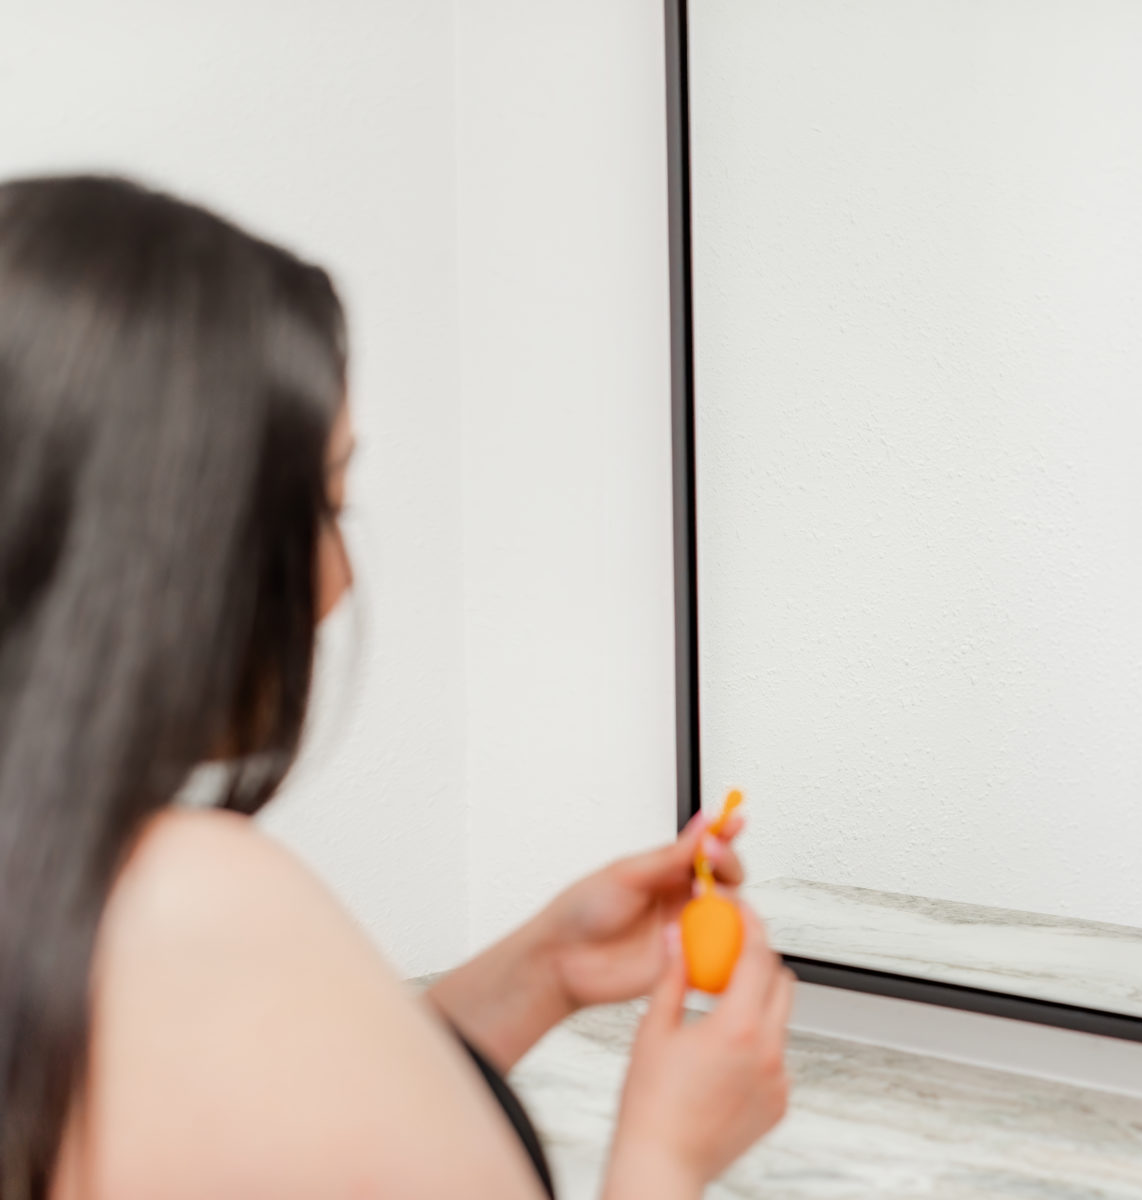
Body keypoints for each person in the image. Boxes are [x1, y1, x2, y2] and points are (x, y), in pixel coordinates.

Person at [0, 175, 791, 1200]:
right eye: (324, 509)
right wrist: (667, 1158)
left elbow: (257, 1138)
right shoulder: (186, 893)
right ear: (171, 542)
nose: (339, 582)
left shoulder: (61, 894)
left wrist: (538, 973)